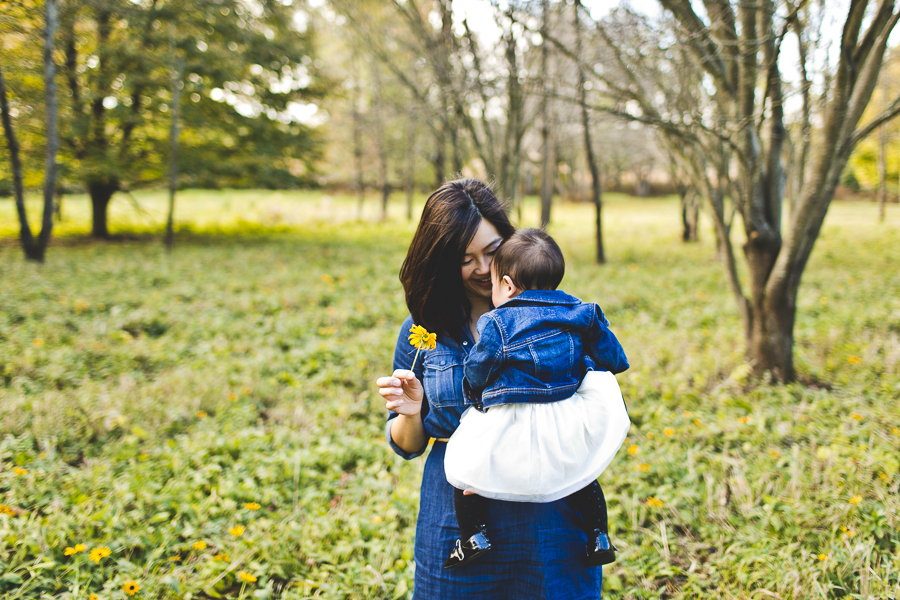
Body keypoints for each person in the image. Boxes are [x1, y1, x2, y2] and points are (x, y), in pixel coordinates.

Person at [376, 179, 608, 599]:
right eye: (465, 259)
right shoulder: (424, 330)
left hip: (549, 513)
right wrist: (411, 411)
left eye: (491, 250)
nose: (484, 269)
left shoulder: (557, 318)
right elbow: (406, 445)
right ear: (443, 262)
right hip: (460, 518)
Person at [441, 228, 631, 570]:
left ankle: (473, 536)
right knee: (582, 474)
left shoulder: (498, 322)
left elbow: (480, 366)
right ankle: (599, 535)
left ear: (508, 286)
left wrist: (476, 396)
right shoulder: (580, 310)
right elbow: (612, 355)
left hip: (513, 415)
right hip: (565, 412)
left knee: (465, 469)